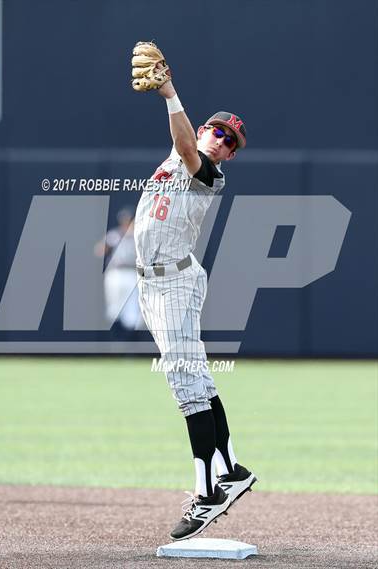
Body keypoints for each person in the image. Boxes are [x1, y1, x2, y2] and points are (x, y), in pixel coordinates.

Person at [133, 47, 257, 541]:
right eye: (219, 130)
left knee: (187, 389)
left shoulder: (207, 173)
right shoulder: (178, 152)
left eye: (232, 141)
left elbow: (187, 149)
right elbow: (180, 143)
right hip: (153, 282)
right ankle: (233, 470)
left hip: (175, 284)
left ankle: (207, 494)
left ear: (228, 155)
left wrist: (168, 92)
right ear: (204, 129)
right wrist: (173, 109)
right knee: (199, 382)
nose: (224, 141)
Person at [94, 208, 143, 337]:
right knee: (114, 310)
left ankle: (130, 346)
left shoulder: (140, 236)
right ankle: (115, 343)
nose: (126, 222)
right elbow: (99, 250)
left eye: (128, 220)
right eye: (124, 220)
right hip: (116, 273)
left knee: (132, 312)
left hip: (133, 273)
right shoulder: (116, 234)